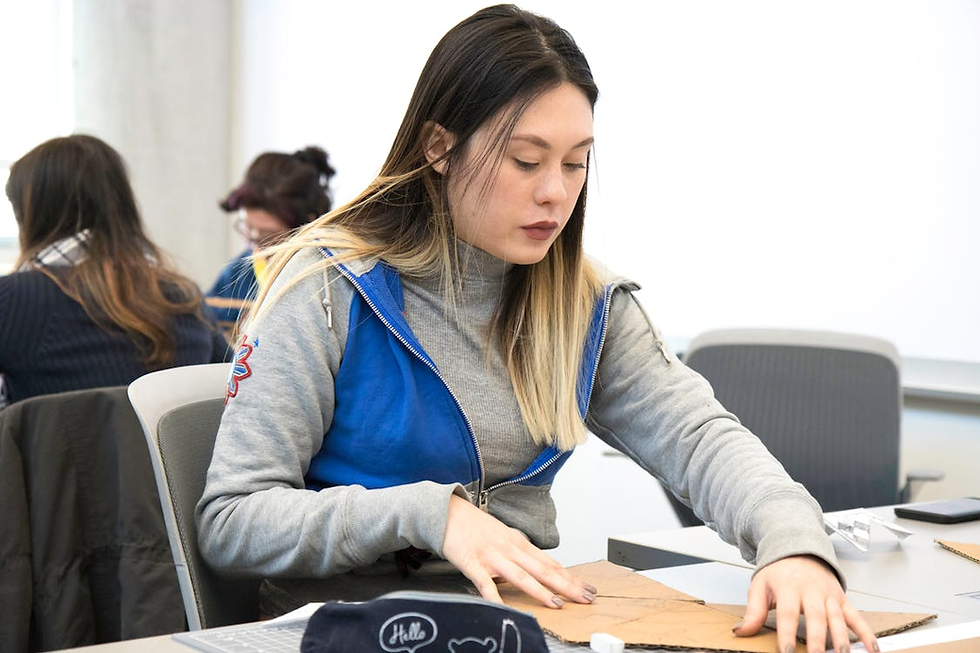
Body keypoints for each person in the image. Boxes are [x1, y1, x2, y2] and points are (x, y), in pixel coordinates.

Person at [197, 5, 878, 652]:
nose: (555, 191)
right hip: (339, 631)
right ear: (439, 146)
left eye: (576, 162)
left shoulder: (586, 305)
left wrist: (793, 545)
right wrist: (430, 512)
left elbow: (701, 439)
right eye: (527, 161)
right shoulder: (323, 289)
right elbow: (233, 520)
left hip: (511, 628)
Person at [0, 134, 230, 407]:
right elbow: (233, 390)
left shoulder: (12, 299)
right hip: (170, 452)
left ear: (28, 215)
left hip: (53, 450)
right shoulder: (183, 296)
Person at [206, 146, 336, 341]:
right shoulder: (235, 274)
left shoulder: (328, 277)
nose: (254, 239)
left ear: (307, 224)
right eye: (247, 227)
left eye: (269, 234)